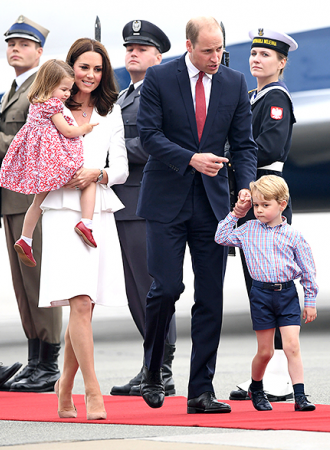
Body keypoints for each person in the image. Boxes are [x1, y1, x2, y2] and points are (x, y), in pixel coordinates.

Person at [136, 16, 257, 412]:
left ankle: (201, 391)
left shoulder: (234, 82)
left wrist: (246, 186)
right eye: (207, 50)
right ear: (188, 47)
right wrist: (190, 158)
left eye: (220, 49)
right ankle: (153, 371)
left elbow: (245, 145)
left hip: (213, 206)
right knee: (166, 288)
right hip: (166, 200)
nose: (216, 57)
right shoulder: (159, 78)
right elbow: (149, 136)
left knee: (211, 298)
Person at [38, 38, 128, 420]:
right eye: (83, 67)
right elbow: (38, 156)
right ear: (70, 67)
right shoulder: (52, 108)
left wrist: (100, 173)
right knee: (78, 302)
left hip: (99, 208)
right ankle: (93, 390)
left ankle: (63, 388)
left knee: (85, 308)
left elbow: (121, 167)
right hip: (62, 209)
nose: (90, 75)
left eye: (97, 69)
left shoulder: (111, 110)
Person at [0, 15, 62, 393]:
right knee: (22, 285)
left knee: (38, 280)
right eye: (10, 43)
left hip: (32, 197)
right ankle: (35, 358)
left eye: (23, 44)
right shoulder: (13, 88)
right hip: (11, 197)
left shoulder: (42, 88)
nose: (14, 49)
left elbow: (26, 141)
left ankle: (48, 362)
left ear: (39, 51)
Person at [230, 28, 299, 402]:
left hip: (267, 196)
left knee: (275, 290)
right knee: (259, 290)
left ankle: (282, 379)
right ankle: (263, 375)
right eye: (254, 53)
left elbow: (267, 146)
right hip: (255, 199)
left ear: (282, 62)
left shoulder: (276, 98)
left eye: (266, 55)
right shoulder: (255, 96)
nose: (257, 59)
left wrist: (229, 154)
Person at [110, 20, 177, 398]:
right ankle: (151, 364)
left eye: (141, 47)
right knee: (137, 290)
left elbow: (159, 143)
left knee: (153, 287)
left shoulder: (163, 92)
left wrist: (112, 153)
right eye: (129, 47)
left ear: (158, 56)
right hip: (124, 201)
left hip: (147, 200)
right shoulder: (124, 97)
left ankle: (161, 368)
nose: (132, 52)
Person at [215, 175, 318, 412]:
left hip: (287, 294)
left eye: (265, 205)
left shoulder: (293, 235)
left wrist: (310, 301)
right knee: (265, 352)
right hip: (261, 295)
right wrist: (237, 213)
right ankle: (257, 389)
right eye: (257, 205)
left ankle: (300, 396)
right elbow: (220, 237)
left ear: (282, 204)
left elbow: (307, 270)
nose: (259, 210)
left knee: (292, 346)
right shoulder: (248, 229)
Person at [0, 59, 99, 268]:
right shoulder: (52, 105)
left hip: (39, 163)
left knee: (37, 204)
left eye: (69, 90)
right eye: (63, 89)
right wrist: (86, 128)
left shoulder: (35, 102)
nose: (66, 94)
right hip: (53, 161)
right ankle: (86, 222)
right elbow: (68, 131)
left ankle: (25, 239)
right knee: (87, 178)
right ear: (49, 83)